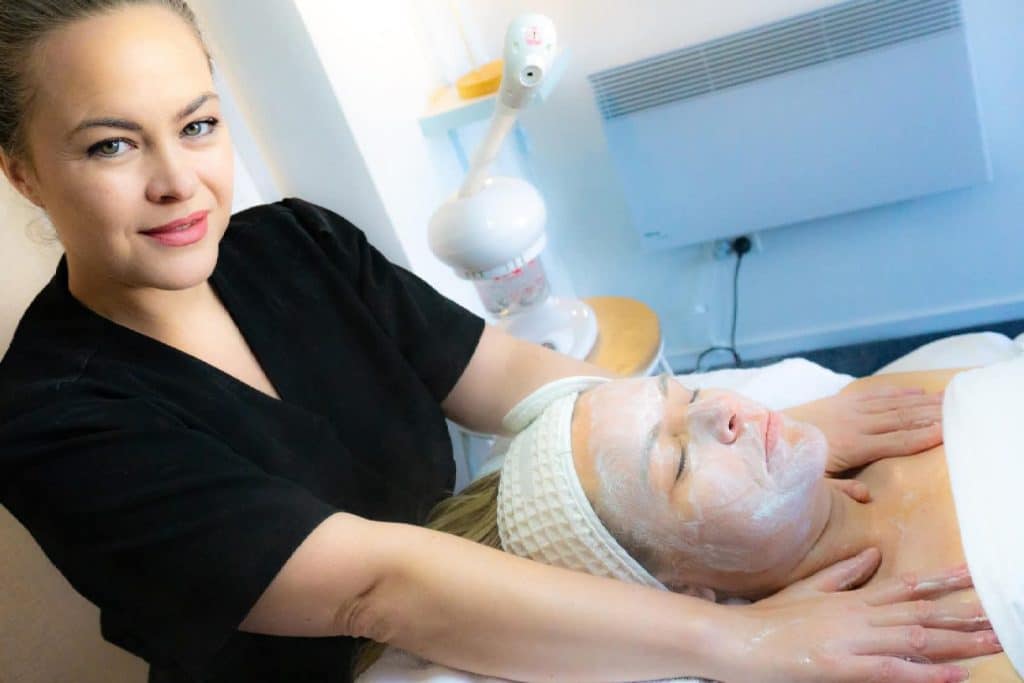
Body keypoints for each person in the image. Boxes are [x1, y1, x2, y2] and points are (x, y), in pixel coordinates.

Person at [0, 1, 999, 681]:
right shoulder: (50, 418)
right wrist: (743, 639)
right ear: (24, 172)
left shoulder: (291, 247)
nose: (181, 182)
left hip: (477, 586)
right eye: (112, 144)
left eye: (200, 124)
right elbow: (373, 587)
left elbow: (514, 378)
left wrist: (748, 419)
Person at [390, 369, 1015, 681]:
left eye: (685, 397)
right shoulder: (917, 641)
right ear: (688, 591)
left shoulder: (889, 411)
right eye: (680, 462)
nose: (722, 411)